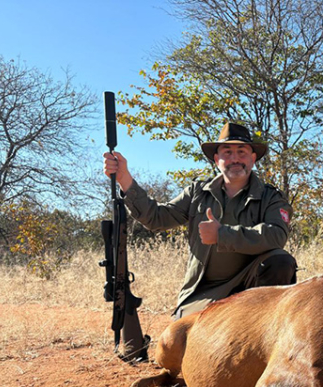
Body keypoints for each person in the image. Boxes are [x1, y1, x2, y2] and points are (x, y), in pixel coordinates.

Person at [103, 122, 297, 318]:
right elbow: (157, 218)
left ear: (253, 158)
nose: (235, 159)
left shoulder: (271, 197)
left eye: (242, 152)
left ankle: (262, 328)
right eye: (227, 152)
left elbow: (276, 235)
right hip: (204, 293)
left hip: (251, 287)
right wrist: (124, 178)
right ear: (216, 159)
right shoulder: (197, 192)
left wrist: (222, 235)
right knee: (183, 334)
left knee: (280, 261)